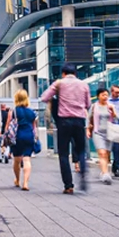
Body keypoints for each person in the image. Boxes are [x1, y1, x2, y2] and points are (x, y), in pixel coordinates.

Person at [40, 64, 91, 194]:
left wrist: (56, 87)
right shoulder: (83, 84)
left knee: (63, 154)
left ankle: (68, 185)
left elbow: (44, 97)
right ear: (75, 73)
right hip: (79, 121)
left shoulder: (60, 83)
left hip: (64, 122)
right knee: (81, 151)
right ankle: (83, 174)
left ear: (63, 73)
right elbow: (88, 104)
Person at [88, 87, 119, 185]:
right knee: (101, 153)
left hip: (109, 133)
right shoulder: (94, 106)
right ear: (98, 96)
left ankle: (103, 171)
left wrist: (113, 111)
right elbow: (88, 119)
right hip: (97, 132)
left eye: (106, 95)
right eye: (103, 95)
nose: (105, 97)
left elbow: (116, 119)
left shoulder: (110, 106)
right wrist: (88, 130)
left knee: (106, 154)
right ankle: (106, 174)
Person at [9, 89, 39, 191]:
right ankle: (25, 183)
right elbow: (34, 127)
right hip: (29, 136)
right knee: (27, 159)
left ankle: (17, 180)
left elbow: (10, 124)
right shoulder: (32, 112)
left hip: (18, 136)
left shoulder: (15, 111)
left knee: (17, 160)